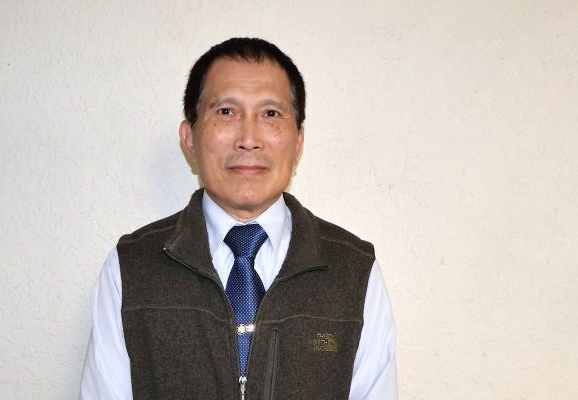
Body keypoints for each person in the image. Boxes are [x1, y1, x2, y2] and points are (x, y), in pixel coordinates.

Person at [79, 37, 397, 400]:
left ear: (298, 141)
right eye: (226, 112)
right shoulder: (132, 267)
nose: (248, 139)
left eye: (271, 114)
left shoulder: (353, 270)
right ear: (189, 138)